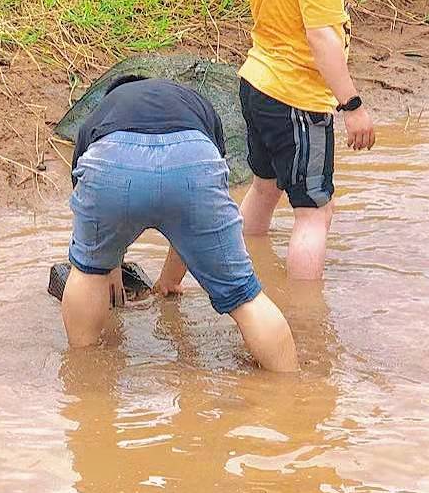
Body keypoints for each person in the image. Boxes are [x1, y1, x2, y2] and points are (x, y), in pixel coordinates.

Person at [60, 74, 297, 371]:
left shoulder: (101, 113)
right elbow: (191, 220)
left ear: (115, 92)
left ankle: (86, 382)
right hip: (193, 156)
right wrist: (170, 282)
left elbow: (93, 217)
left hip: (111, 160)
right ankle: (292, 391)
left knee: (87, 272)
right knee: (244, 296)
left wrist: (106, 268)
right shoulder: (195, 102)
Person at [237, 0, 376, 280]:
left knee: (264, 187)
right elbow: (322, 37)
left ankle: (240, 277)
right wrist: (352, 105)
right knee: (315, 212)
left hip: (257, 82)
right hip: (297, 97)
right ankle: (305, 324)